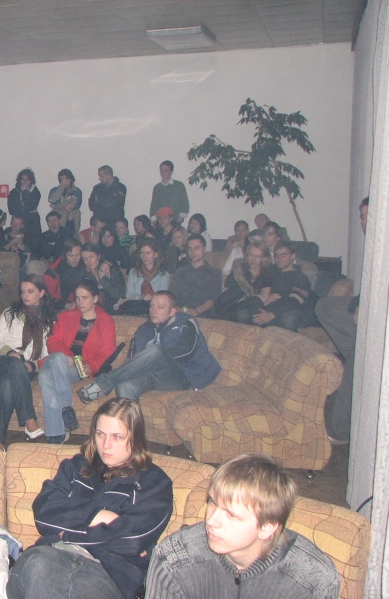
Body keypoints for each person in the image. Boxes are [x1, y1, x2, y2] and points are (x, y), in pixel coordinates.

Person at [7, 399, 173, 599]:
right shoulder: (75, 467)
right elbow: (44, 514)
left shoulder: (154, 483)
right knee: (36, 565)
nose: (106, 445)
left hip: (107, 574)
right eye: (100, 434)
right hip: (45, 558)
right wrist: (100, 516)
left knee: (41, 568)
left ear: (136, 438)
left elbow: (131, 541)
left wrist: (66, 533)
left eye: (117, 437)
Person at [145, 453, 340, 599]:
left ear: (267, 527)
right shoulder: (174, 560)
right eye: (213, 502)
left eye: (231, 514)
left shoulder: (312, 580)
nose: (211, 521)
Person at [77, 291, 221, 404]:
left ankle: (102, 384)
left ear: (172, 311)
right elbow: (133, 359)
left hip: (183, 376)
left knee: (155, 350)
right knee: (125, 386)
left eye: (160, 307)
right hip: (154, 377)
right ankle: (132, 431)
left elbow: (186, 353)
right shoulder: (144, 329)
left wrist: (154, 360)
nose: (153, 310)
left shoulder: (185, 323)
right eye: (152, 306)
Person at [39, 279, 116, 443]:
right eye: (77, 298)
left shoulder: (106, 320)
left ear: (95, 298)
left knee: (45, 376)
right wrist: (67, 355)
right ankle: (66, 408)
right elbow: (53, 341)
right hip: (61, 361)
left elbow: (107, 350)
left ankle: (56, 432)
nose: (80, 302)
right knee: (57, 358)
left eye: (85, 297)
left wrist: (91, 365)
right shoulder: (66, 316)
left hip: (80, 368)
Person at [318, 197, 368, 444]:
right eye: (362, 216)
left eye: (367, 216)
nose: (364, 221)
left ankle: (339, 430)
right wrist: (359, 304)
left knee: (356, 359)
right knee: (325, 306)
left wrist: (365, 307)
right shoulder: (374, 244)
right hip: (366, 307)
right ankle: (354, 351)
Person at [0, 275, 57, 449]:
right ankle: (29, 420)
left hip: (25, 367)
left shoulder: (50, 321)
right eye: (23, 291)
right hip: (0, 361)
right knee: (15, 365)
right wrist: (9, 352)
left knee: (8, 385)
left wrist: (32, 365)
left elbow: (47, 353)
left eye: (30, 291)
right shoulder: (10, 313)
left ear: (41, 293)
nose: (25, 295)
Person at [249, 241, 316, 332]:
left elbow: (294, 301)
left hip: (294, 311)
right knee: (246, 313)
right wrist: (265, 299)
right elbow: (256, 289)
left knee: (288, 318)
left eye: (283, 255)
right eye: (276, 255)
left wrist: (271, 315)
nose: (279, 258)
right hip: (270, 308)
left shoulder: (299, 277)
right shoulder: (270, 271)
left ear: (293, 256)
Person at [215, 241, 273, 323]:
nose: (253, 259)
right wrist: (256, 297)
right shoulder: (239, 270)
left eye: (258, 256)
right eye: (251, 255)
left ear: (264, 258)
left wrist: (258, 299)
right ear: (247, 255)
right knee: (254, 302)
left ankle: (256, 329)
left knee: (246, 312)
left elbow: (265, 297)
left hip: (248, 310)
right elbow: (230, 287)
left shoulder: (266, 274)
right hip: (229, 307)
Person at [169, 234, 222, 318]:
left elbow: (213, 298)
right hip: (180, 312)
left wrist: (197, 310)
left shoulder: (214, 273)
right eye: (190, 248)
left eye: (197, 248)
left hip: (204, 313)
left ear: (205, 249)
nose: (193, 252)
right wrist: (178, 309)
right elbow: (172, 296)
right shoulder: (180, 272)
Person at [120, 238, 170, 316]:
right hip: (136, 309)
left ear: (156, 254)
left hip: (156, 309)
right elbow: (129, 294)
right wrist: (142, 297)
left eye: (148, 253)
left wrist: (152, 298)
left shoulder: (163, 275)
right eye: (142, 253)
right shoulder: (134, 272)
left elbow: (163, 296)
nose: (144, 256)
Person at [82, 242, 126, 311]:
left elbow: (120, 293)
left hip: (114, 307)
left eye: (91, 257)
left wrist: (102, 279)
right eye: (85, 259)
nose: (88, 261)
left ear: (98, 255)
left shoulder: (112, 270)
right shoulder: (84, 274)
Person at [43, 239, 84, 310]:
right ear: (65, 255)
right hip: (61, 308)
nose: (74, 259)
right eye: (71, 256)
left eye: (77, 255)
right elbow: (48, 300)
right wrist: (65, 305)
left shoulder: (86, 265)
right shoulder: (53, 273)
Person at [8, 168, 42, 246]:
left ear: (31, 181)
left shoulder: (35, 192)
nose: (25, 182)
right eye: (23, 179)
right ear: (19, 180)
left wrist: (24, 192)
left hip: (33, 222)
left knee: (33, 244)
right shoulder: (13, 192)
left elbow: (31, 206)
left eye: (27, 179)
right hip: (18, 222)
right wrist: (27, 210)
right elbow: (12, 210)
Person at [149, 160, 190, 224]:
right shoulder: (157, 188)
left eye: (166, 170)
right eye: (161, 170)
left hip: (175, 221)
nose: (163, 173)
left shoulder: (179, 185)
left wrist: (179, 220)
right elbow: (153, 206)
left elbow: (185, 204)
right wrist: (154, 221)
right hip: (160, 223)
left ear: (171, 172)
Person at [47, 168, 82, 238]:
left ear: (71, 179)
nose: (64, 181)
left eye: (66, 179)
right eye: (62, 179)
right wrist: (62, 186)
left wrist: (56, 206)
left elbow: (70, 206)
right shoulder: (55, 190)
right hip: (57, 223)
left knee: (70, 240)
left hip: (71, 221)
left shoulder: (76, 191)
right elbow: (52, 200)